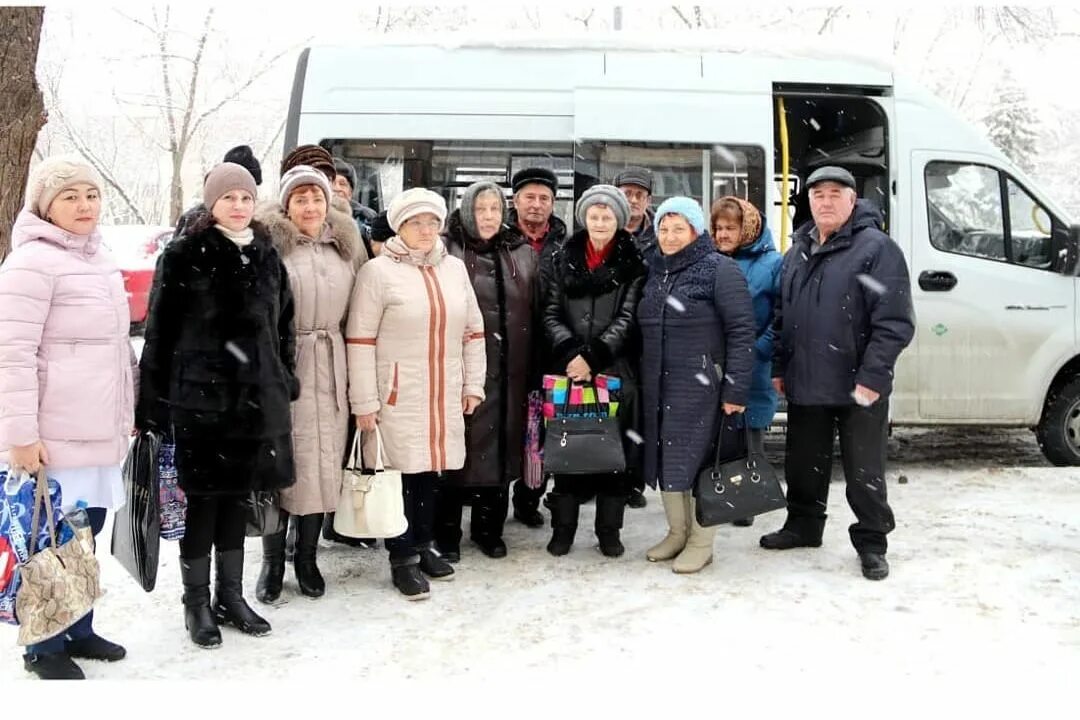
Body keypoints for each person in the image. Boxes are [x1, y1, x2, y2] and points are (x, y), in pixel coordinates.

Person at [137, 162, 299, 647]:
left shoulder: (269, 254)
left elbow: (284, 325)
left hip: (256, 404)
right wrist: (154, 402)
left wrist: (283, 377)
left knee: (237, 501)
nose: (238, 206)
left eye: (246, 198)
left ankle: (231, 595)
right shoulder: (185, 255)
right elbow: (158, 333)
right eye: (228, 198)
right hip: (201, 403)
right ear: (212, 204)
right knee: (203, 504)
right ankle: (197, 603)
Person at [0, 156, 135, 679]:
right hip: (52, 435)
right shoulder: (30, 263)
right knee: (48, 538)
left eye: (91, 194)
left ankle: (78, 626)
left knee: (85, 530)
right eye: (70, 196)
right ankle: (43, 644)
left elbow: (115, 349)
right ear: (46, 206)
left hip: (98, 429)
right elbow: (11, 354)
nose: (84, 205)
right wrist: (20, 436)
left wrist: (132, 410)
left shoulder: (98, 258)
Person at [761, 166, 914, 581]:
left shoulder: (877, 249)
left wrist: (873, 377)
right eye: (818, 195)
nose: (825, 201)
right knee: (803, 463)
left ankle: (872, 542)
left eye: (835, 194)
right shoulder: (798, 250)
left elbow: (894, 322)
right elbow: (782, 314)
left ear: (852, 200)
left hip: (858, 385)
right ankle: (803, 526)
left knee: (864, 472)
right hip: (807, 379)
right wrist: (779, 365)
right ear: (808, 202)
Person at [346, 188, 486, 600]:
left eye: (432, 222)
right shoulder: (378, 273)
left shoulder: (455, 270)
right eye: (414, 223)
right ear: (399, 226)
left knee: (430, 474)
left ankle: (423, 545)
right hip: (396, 394)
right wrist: (365, 402)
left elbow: (473, 332)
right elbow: (360, 340)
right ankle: (401, 558)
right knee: (400, 477)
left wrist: (472, 384)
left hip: (442, 391)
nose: (425, 230)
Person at [253, 165, 364, 602]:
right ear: (287, 206)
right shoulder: (271, 249)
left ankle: (308, 558)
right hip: (287, 362)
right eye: (300, 199)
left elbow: (359, 309)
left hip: (333, 361)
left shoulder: (344, 246)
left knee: (323, 463)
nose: (310, 207)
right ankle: (273, 561)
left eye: (316, 198)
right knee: (285, 465)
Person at [637, 197, 756, 573]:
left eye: (678, 228)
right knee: (668, 459)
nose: (669, 237)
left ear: (695, 230)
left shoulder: (719, 268)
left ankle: (702, 541)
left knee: (701, 463)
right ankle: (677, 532)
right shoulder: (656, 271)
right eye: (663, 229)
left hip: (703, 388)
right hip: (660, 385)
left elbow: (741, 331)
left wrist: (735, 390)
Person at [435, 181, 539, 561]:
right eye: (481, 209)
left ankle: (488, 528)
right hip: (460, 368)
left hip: (511, 369)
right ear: (466, 211)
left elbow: (537, 310)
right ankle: (445, 531)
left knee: (499, 451)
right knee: (455, 451)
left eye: (496, 208)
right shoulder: (447, 248)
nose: (490, 217)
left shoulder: (521, 252)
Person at [540, 184, 645, 558]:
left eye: (608, 216)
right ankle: (563, 529)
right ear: (584, 217)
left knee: (611, 457)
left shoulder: (633, 261)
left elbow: (629, 317)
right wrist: (571, 352)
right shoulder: (562, 257)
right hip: (570, 371)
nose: (600, 222)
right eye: (594, 215)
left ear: (619, 219)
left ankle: (609, 532)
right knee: (569, 452)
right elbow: (550, 312)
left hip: (613, 370)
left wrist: (595, 355)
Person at [711, 196, 783, 528]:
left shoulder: (772, 264)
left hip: (753, 364)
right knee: (720, 435)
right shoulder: (710, 260)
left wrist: (758, 350)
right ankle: (718, 495)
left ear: (748, 228)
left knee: (750, 434)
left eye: (731, 228)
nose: (723, 234)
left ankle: (748, 501)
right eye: (719, 228)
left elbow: (782, 315)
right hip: (715, 363)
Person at [505, 167, 567, 528]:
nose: (536, 205)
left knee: (542, 430)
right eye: (529, 197)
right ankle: (493, 498)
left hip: (549, 352)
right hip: (508, 348)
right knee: (506, 427)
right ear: (515, 201)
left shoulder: (563, 243)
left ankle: (529, 499)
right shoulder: (500, 238)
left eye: (544, 198)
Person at [174, 144, 262, 242]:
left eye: (246, 197)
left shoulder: (261, 236)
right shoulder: (193, 224)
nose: (239, 205)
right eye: (229, 196)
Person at [332, 157, 378, 255]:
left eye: (343, 184)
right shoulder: (315, 216)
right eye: (332, 182)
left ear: (350, 192)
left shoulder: (366, 218)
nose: (337, 188)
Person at [615, 166, 657, 256]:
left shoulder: (662, 232)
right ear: (616, 196)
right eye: (627, 194)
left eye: (639, 195)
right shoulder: (600, 227)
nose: (634, 200)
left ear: (648, 201)